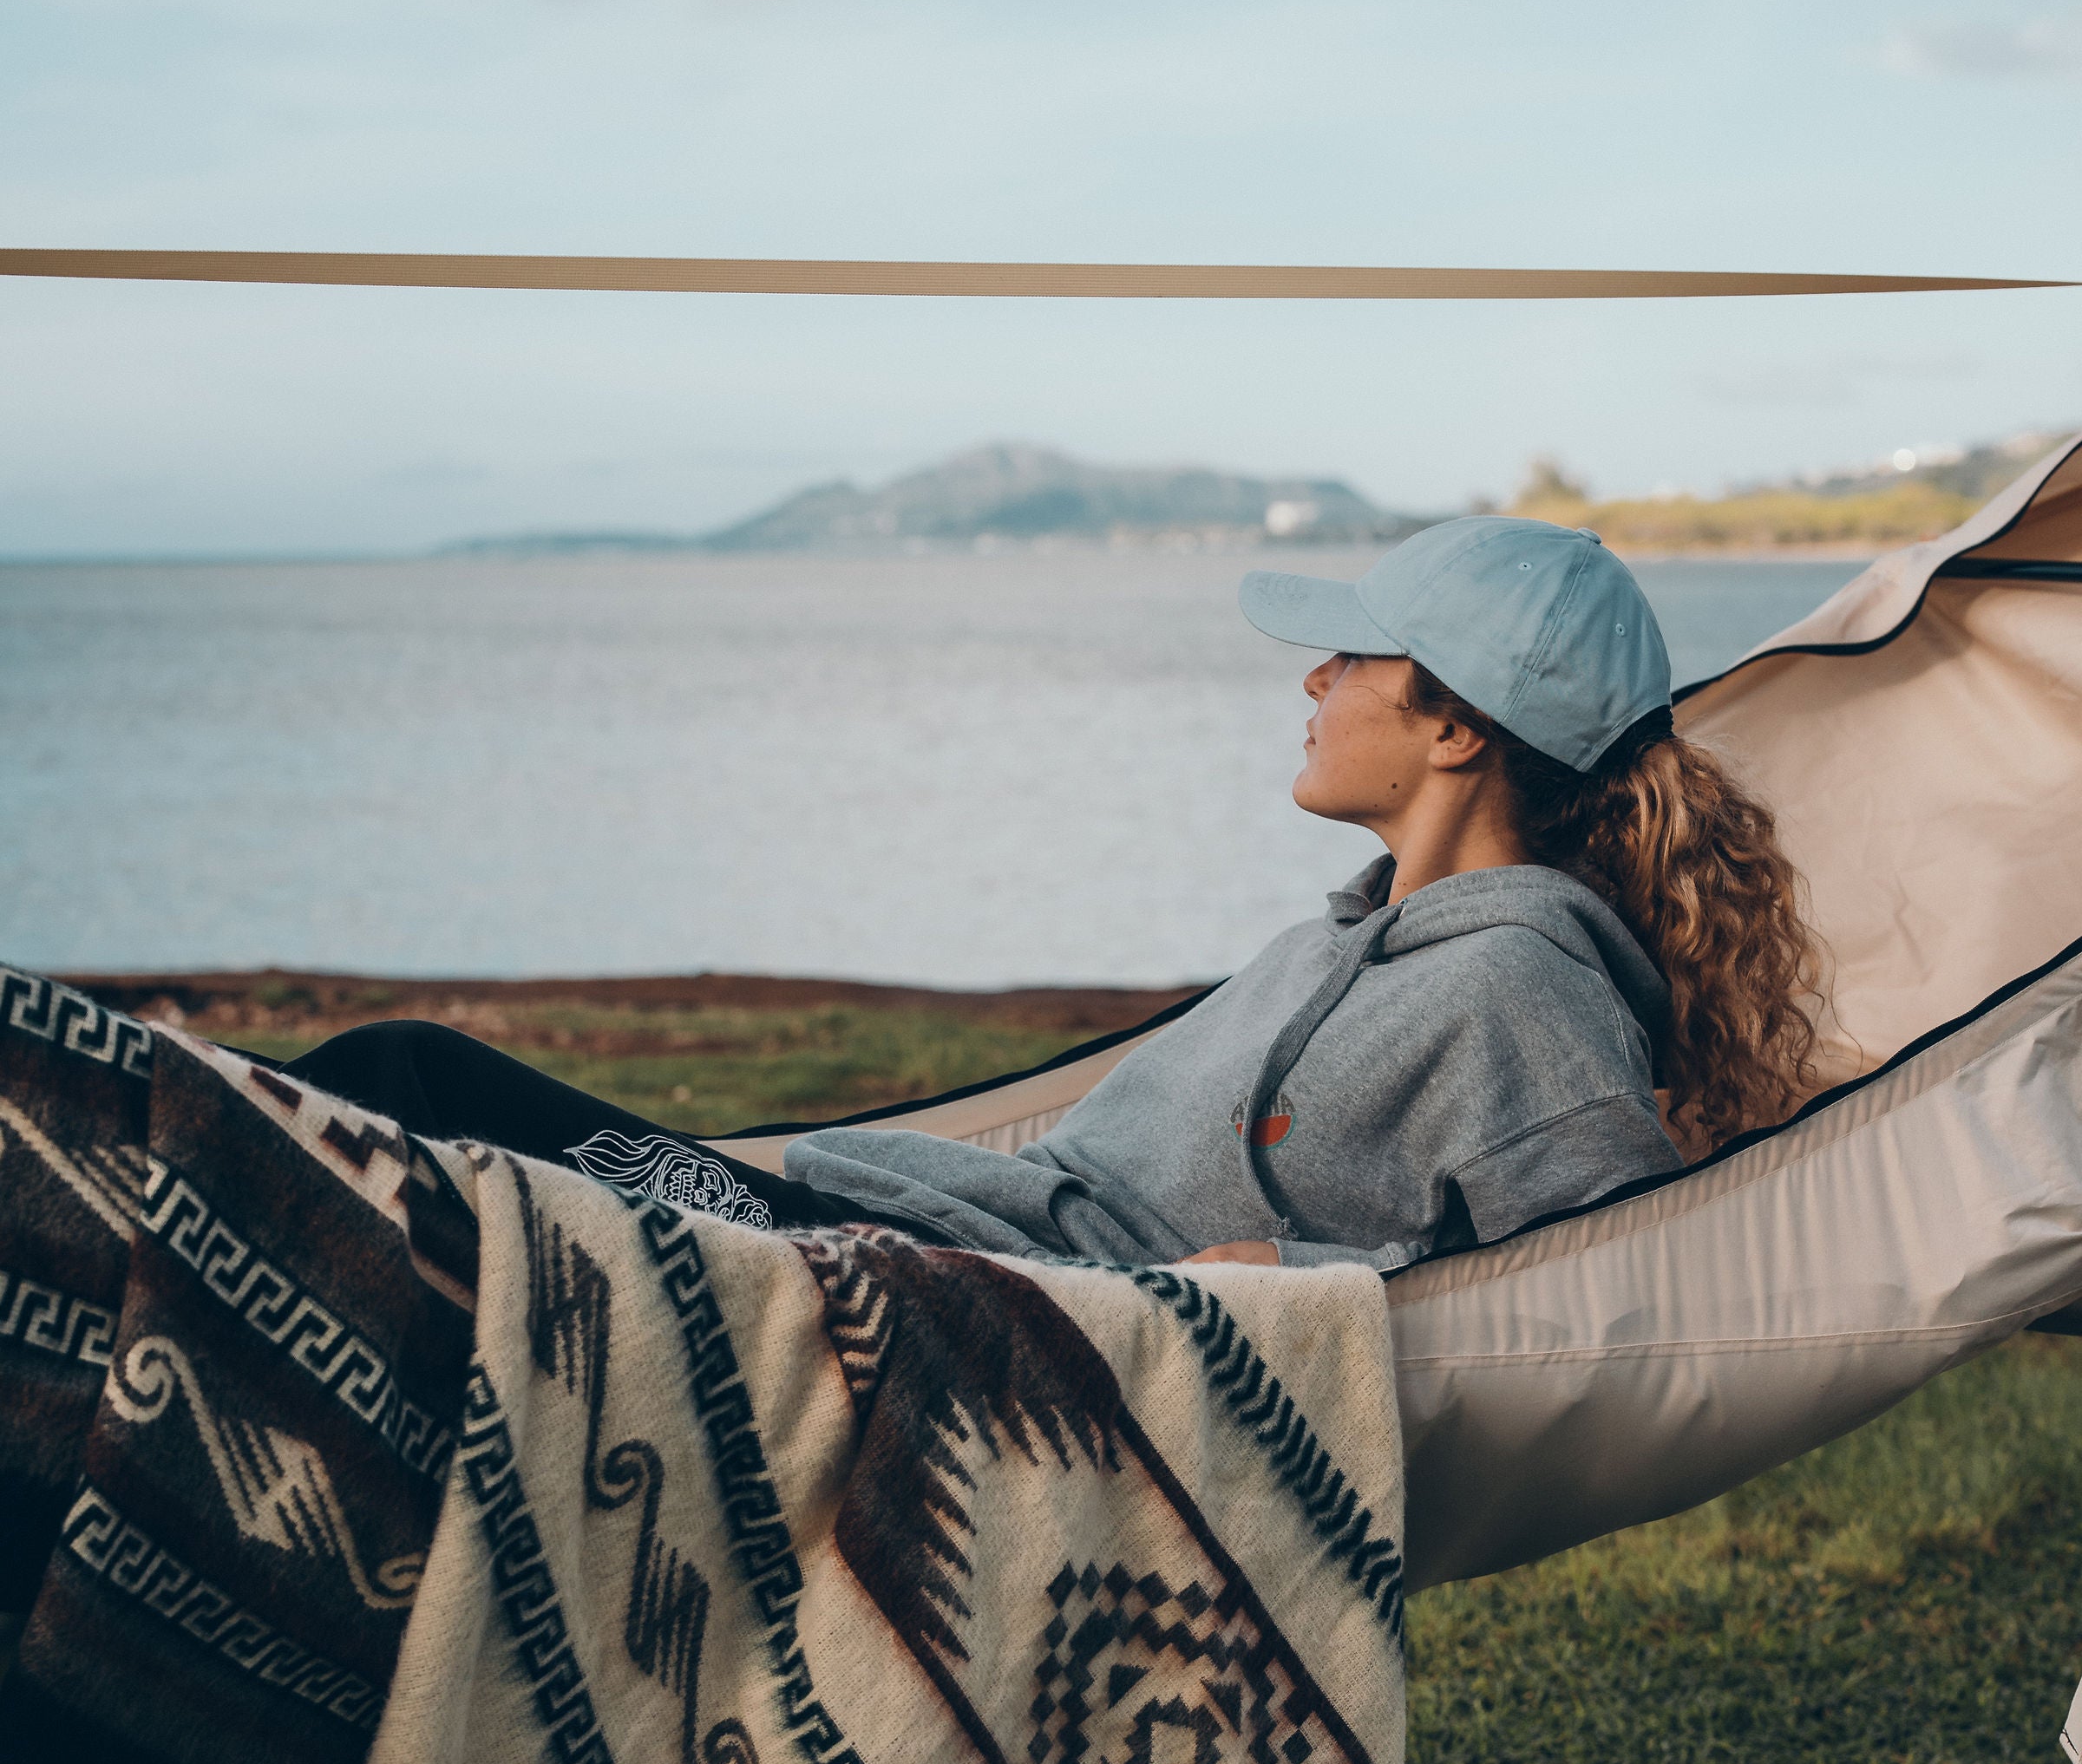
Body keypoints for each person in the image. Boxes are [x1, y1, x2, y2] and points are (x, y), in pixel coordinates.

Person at [289, 517, 1823, 1269]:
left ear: (1454, 728)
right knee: (380, 1112)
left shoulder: (1517, 987)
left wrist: (1311, 1276)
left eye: (1353, 655)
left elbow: (1599, 1290)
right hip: (876, 1225)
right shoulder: (1344, 940)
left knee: (401, 1086)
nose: (1314, 679)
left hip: (932, 1313)